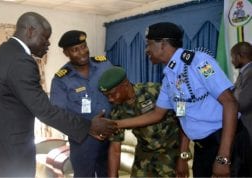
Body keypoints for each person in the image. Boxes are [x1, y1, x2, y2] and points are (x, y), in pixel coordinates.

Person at [0, 12, 116, 177]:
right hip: (8, 153)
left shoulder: (0, 54)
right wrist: (90, 125)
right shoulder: (20, 60)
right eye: (45, 38)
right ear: (31, 31)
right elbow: (45, 111)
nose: (47, 44)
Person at [115, 22, 238, 177]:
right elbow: (160, 115)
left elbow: (230, 103)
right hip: (202, 148)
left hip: (226, 144)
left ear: (163, 45)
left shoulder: (199, 62)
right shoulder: (169, 78)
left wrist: (223, 158)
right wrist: (115, 124)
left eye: (149, 44)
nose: (146, 50)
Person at [98, 66, 186, 177]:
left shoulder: (154, 91)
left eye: (112, 94)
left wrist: (183, 156)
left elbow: (184, 119)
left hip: (171, 154)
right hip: (144, 155)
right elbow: (115, 149)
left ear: (125, 86)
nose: (110, 99)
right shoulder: (117, 111)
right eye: (107, 96)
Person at [50, 30, 113, 177]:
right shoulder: (61, 80)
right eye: (75, 50)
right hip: (83, 142)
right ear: (66, 53)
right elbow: (58, 115)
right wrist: (87, 127)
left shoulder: (104, 64)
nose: (82, 52)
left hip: (110, 136)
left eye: (83, 46)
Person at [230, 41, 252, 177]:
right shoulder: (244, 73)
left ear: (239, 56)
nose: (232, 61)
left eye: (233, 57)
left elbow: (244, 102)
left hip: (248, 130)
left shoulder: (250, 74)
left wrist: (227, 106)